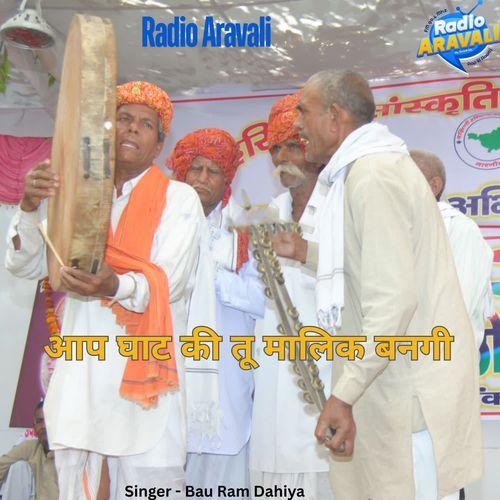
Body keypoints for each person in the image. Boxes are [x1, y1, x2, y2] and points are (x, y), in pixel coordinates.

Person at [5, 81, 205, 499]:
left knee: (150, 486)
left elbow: (170, 280)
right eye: (124, 119)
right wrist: (28, 207)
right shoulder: (75, 198)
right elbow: (24, 264)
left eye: (145, 124)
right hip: (84, 378)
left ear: (159, 144)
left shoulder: (179, 199)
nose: (132, 129)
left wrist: (115, 285)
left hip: (146, 382)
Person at [295, 70, 482, 499]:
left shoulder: (373, 176)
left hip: (408, 396)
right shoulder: (373, 167)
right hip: (396, 386)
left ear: (335, 116)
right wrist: (306, 252)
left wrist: (343, 395)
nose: (297, 124)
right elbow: (373, 263)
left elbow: (393, 301)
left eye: (304, 111)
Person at [168, 128, 265, 499]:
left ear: (227, 180)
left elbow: (263, 301)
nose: (202, 179)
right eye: (195, 168)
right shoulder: (160, 228)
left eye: (213, 171)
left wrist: (210, 273)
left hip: (226, 396)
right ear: (182, 173)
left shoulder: (245, 234)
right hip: (167, 387)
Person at [249, 92, 333, 499]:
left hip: (327, 368)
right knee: (273, 468)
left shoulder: (340, 205)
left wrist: (305, 252)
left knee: (323, 473)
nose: (283, 157)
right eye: (276, 149)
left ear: (314, 148)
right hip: (273, 372)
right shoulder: (269, 212)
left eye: (293, 146)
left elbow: (363, 273)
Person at [410, 149, 494, 350]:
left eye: (402, 180)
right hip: (405, 353)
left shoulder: (460, 228)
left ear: (434, 186)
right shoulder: (396, 228)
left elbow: (459, 304)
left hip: (444, 353)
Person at [0, 401, 58, 499]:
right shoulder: (30, 447)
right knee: (19, 467)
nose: (44, 426)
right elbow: (2, 464)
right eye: (40, 421)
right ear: (34, 427)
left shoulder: (68, 454)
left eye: (48, 420)